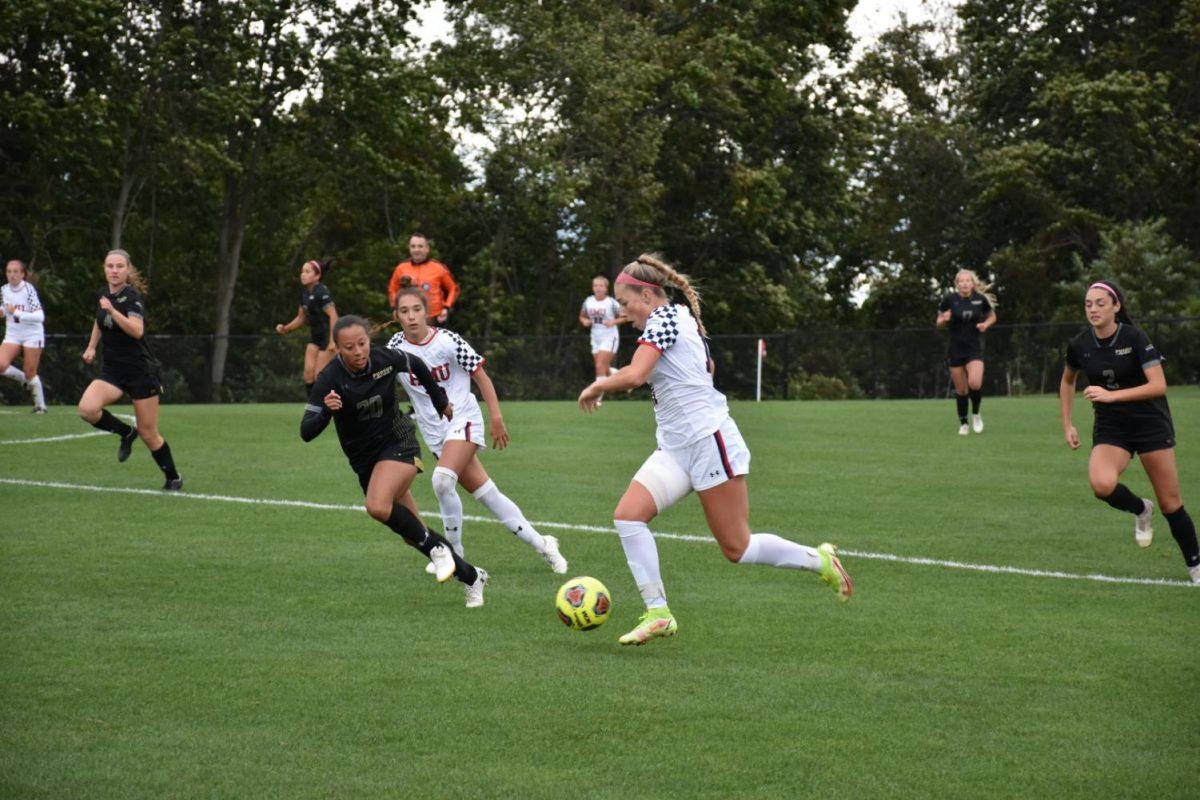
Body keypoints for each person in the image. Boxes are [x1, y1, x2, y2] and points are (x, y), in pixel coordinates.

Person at [577, 254, 853, 646]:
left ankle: (819, 560)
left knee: (737, 547)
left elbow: (637, 375)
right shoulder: (675, 319)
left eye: (625, 303)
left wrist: (596, 384)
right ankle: (658, 612)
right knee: (628, 517)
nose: (624, 312)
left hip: (710, 442)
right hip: (674, 449)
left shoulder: (666, 319)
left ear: (649, 295)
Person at [302, 315, 491, 605]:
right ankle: (472, 576)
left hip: (397, 443)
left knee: (377, 506)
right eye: (350, 347)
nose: (359, 352)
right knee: (412, 533)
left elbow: (415, 364)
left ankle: (438, 551)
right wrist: (326, 410)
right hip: (365, 461)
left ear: (369, 341)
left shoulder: (384, 359)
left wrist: (440, 401)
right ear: (338, 349)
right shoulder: (329, 379)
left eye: (362, 344)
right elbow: (306, 431)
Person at [388, 286, 568, 581]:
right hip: (435, 433)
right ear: (396, 316)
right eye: (404, 311)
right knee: (488, 495)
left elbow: (481, 376)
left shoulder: (447, 341)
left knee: (442, 481)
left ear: (428, 310)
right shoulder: (395, 347)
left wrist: (496, 417)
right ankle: (544, 543)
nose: (411, 316)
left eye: (416, 310)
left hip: (464, 419)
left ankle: (451, 554)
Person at [1060, 281, 1198, 584]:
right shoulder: (1080, 344)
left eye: (1100, 303)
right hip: (1112, 428)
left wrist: (1111, 396)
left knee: (1171, 504)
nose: (1093, 309)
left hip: (1150, 422)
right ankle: (1140, 509)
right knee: (1102, 484)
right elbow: (1068, 380)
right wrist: (1068, 423)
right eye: (1088, 304)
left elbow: (1158, 385)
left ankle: (1195, 566)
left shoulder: (1135, 337)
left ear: (1116, 306)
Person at [77, 249, 182, 490]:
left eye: (119, 267)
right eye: (110, 266)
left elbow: (137, 331)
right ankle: (126, 432)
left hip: (140, 371)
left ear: (127, 270)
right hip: (113, 370)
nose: (114, 271)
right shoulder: (104, 294)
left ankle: (173, 477)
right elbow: (99, 320)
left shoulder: (132, 297)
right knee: (87, 409)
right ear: (104, 269)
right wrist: (92, 346)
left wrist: (114, 311)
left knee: (149, 433)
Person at [936, 269, 997, 435]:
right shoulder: (949, 299)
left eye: (967, 281)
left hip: (974, 349)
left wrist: (985, 325)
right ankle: (963, 423)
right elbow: (939, 321)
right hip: (955, 349)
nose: (964, 283)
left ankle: (976, 413)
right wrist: (944, 319)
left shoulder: (980, 299)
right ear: (957, 284)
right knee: (962, 391)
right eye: (961, 281)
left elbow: (992, 316)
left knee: (975, 383)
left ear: (972, 283)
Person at [275, 259, 338, 394]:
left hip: (327, 339)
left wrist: (333, 341)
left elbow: (334, 316)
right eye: (302, 271)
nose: (303, 274)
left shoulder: (322, 292)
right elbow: (301, 318)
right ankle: (313, 406)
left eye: (307, 271)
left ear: (317, 276)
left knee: (319, 377)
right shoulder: (305, 294)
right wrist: (286, 328)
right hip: (316, 338)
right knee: (308, 374)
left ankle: (327, 405)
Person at [1, 258, 48, 412]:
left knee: (30, 373)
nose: (12, 275)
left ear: (22, 274)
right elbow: (4, 309)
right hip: (13, 334)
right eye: (9, 271)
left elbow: (40, 317)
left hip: (32, 334)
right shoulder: (4, 290)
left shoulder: (28, 290)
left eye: (15, 272)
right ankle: (25, 380)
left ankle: (40, 406)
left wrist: (17, 312)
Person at [387, 234, 459, 324]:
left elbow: (453, 288)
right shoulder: (401, 268)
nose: (416, 250)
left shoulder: (439, 268)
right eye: (413, 246)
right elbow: (393, 289)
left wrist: (446, 308)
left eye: (420, 246)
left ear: (427, 249)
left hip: (434, 318)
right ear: (409, 248)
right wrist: (395, 307)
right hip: (410, 318)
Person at [578, 275, 626, 404]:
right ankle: (625, 377)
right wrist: (585, 322)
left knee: (600, 366)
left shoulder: (611, 302)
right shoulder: (588, 301)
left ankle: (597, 398)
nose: (598, 288)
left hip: (610, 336)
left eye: (601, 285)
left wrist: (613, 322)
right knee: (603, 369)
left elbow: (625, 316)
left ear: (606, 288)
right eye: (595, 285)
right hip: (595, 337)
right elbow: (582, 316)